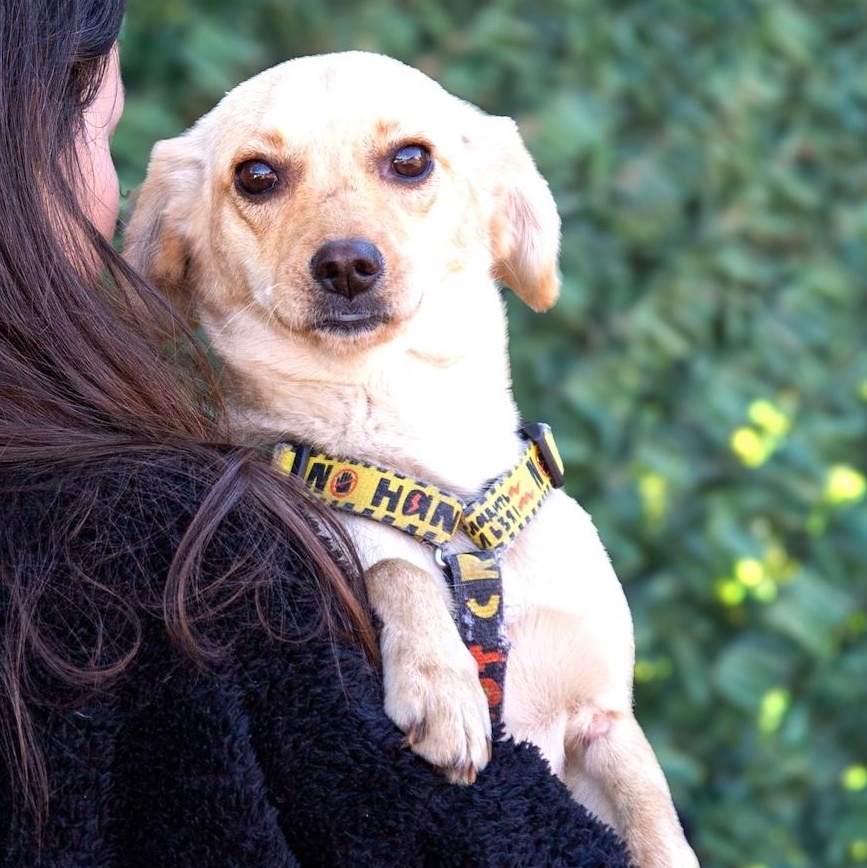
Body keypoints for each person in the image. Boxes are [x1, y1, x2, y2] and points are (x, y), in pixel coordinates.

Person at [0, 2, 636, 865]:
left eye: (406, 165)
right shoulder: (194, 551)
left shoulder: (550, 531)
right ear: (173, 240)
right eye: (262, 181)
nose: (345, 242)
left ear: (502, 207)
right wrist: (395, 584)